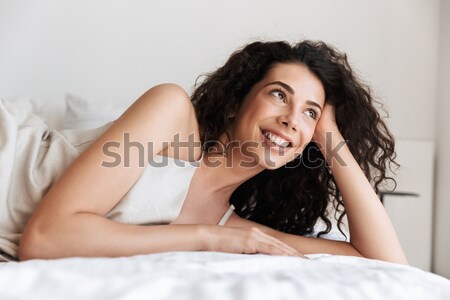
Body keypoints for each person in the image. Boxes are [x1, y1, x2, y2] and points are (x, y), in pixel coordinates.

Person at [2, 40, 407, 264]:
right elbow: (46, 238)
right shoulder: (170, 113)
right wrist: (206, 239)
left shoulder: (236, 229)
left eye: (309, 113)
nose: (291, 119)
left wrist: (331, 138)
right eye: (279, 95)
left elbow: (387, 263)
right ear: (235, 103)